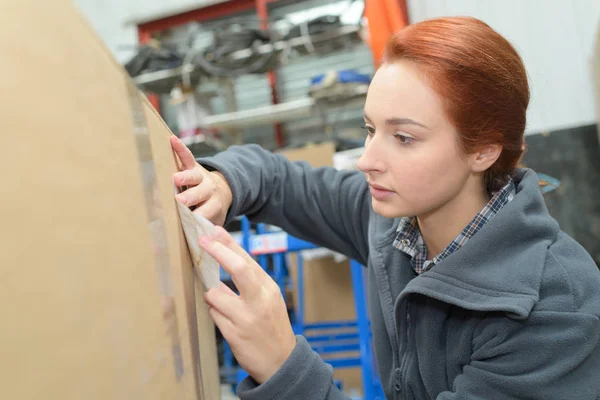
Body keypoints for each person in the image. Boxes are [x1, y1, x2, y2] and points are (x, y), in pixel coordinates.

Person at [170, 16, 600, 400]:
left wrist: (284, 368)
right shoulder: (392, 225)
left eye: (404, 138)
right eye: (370, 129)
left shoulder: (555, 311)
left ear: (484, 151)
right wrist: (222, 183)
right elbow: (277, 179)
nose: (366, 160)